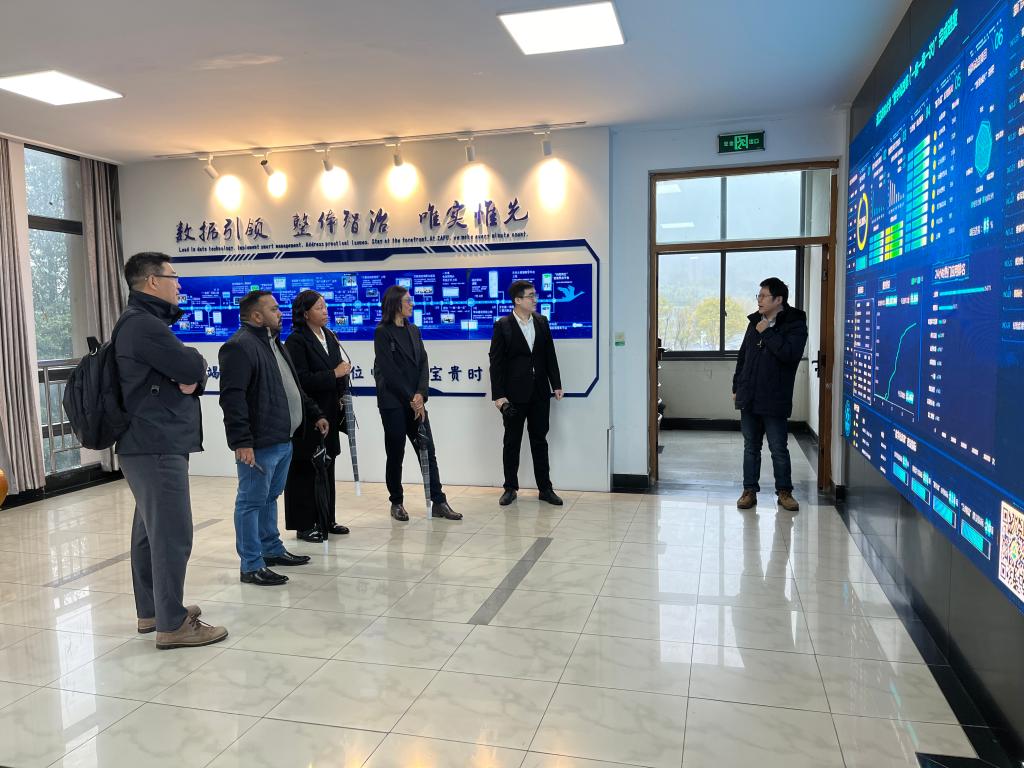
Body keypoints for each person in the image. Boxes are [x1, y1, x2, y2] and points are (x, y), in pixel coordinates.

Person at [115, 251, 227, 649]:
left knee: (150, 533)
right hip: (156, 443)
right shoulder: (144, 325)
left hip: (145, 443)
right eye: (173, 277)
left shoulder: (137, 322)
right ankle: (173, 624)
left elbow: (186, 374)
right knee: (171, 534)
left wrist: (189, 373)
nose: (179, 284)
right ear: (152, 282)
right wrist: (194, 365)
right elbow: (193, 367)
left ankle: (154, 611)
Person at [218, 290, 329, 586]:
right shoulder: (239, 347)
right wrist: (242, 441)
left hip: (283, 437)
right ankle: (251, 565)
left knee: (269, 497)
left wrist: (314, 413)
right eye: (274, 309)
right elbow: (232, 399)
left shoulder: (273, 343)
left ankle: (271, 549)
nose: (280, 313)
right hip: (260, 442)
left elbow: (293, 386)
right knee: (250, 501)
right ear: (257, 316)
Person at [372, 285, 461, 521]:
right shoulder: (382, 332)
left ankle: (438, 501)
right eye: (407, 301)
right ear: (395, 304)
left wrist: (421, 393)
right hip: (393, 402)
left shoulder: (413, 330)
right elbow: (389, 372)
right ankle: (396, 502)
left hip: (416, 402)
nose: (411, 304)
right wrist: (411, 397)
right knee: (396, 453)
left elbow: (423, 363)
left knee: (427, 451)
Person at [732, 277, 808, 512]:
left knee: (778, 448)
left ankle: (784, 492)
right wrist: (736, 386)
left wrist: (767, 332)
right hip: (750, 394)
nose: (760, 300)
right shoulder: (754, 321)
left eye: (764, 296)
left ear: (778, 299)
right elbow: (743, 356)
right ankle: (749, 491)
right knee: (750, 447)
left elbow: (789, 355)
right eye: (759, 296)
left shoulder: (795, 323)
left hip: (775, 396)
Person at [284, 290, 352, 542]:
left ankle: (326, 518)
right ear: (305, 313)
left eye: (325, 306)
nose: (325, 311)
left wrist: (341, 383)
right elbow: (299, 380)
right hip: (308, 414)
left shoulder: (329, 336)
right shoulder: (296, 341)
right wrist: (334, 374)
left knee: (327, 464)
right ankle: (304, 524)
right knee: (305, 468)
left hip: (331, 411)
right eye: (319, 308)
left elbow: (339, 371)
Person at [488, 279, 565, 506]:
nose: (535, 299)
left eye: (534, 295)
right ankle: (510, 488)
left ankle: (545, 489)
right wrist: (499, 396)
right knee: (512, 442)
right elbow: (496, 363)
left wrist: (556, 384)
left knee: (539, 440)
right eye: (530, 296)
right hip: (513, 395)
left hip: (539, 392)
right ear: (517, 300)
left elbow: (549, 354)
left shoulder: (541, 321)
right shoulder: (503, 325)